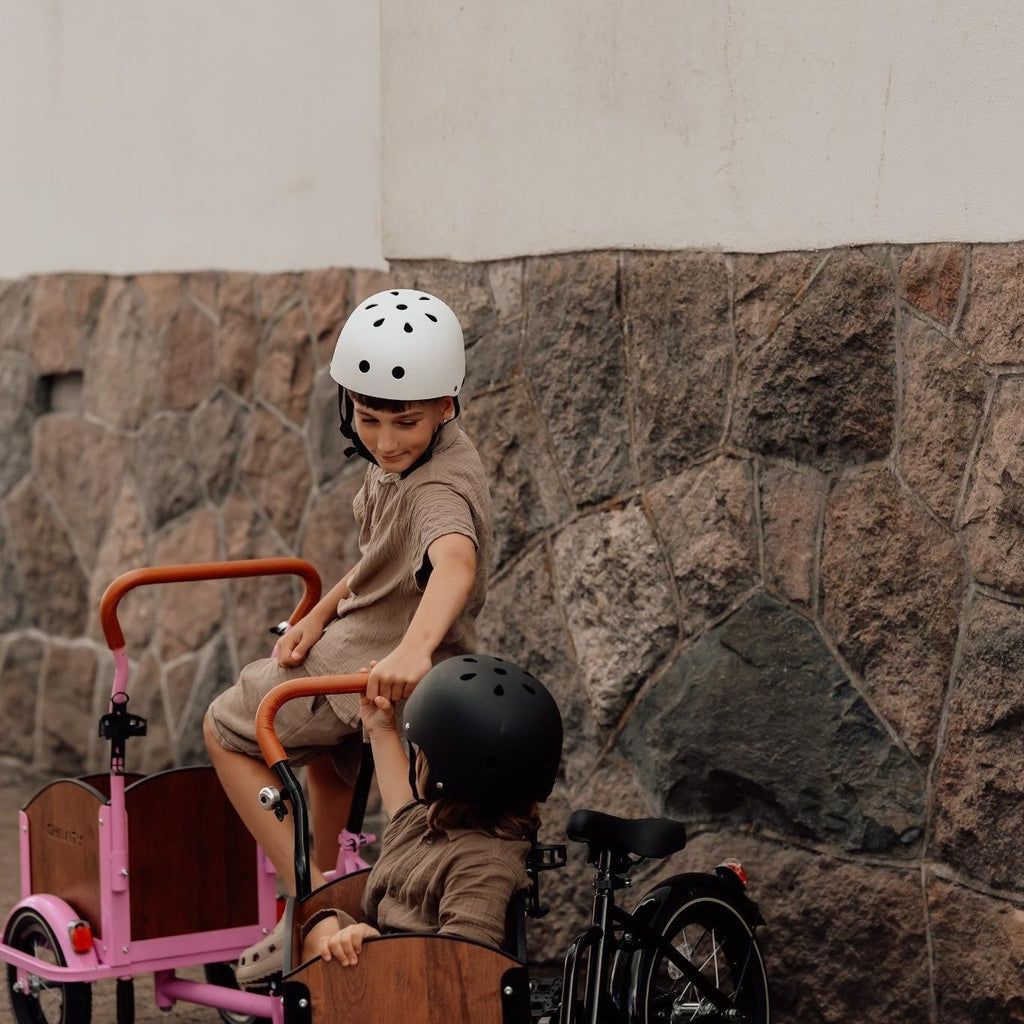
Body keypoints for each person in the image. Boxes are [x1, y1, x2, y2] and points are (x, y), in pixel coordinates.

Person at [203, 289, 493, 985]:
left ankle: (309, 900)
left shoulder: (436, 491)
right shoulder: (414, 456)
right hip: (372, 654)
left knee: (224, 726)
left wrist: (412, 649)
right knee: (334, 761)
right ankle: (331, 890)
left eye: (405, 421)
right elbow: (376, 565)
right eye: (369, 418)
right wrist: (319, 611)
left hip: (372, 662)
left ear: (447, 405)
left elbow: (454, 561)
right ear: (349, 406)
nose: (386, 440)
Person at [299, 654, 563, 968]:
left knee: (322, 942)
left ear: (444, 771)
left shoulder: (485, 864)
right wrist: (380, 728)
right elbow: (400, 798)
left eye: (421, 754)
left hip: (413, 981)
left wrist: (379, 948)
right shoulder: (424, 823)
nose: (417, 762)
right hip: (382, 958)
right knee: (322, 927)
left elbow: (462, 963)